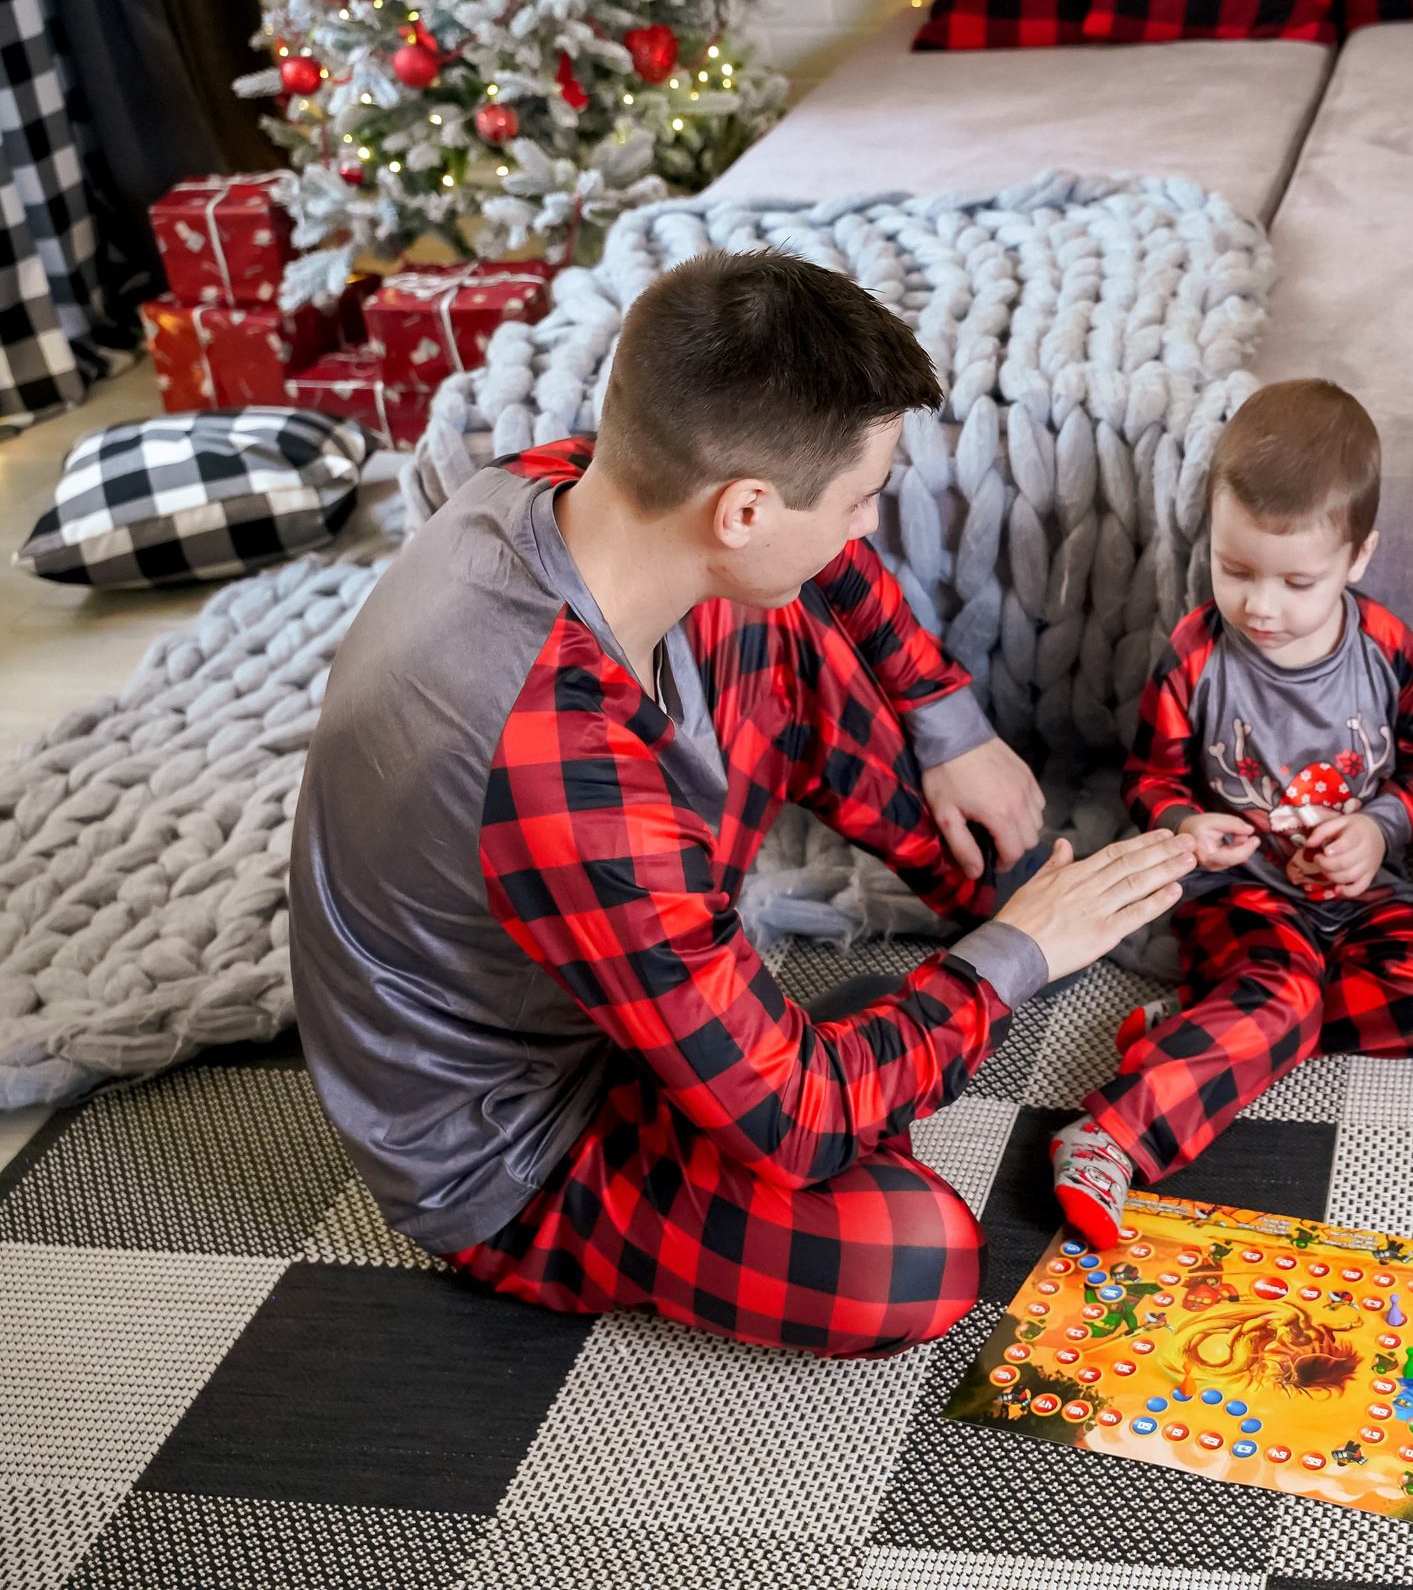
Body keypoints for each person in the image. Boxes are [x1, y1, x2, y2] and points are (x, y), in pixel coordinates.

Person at [290, 250, 1197, 1356]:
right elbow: (801, 1126)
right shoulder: (565, 769)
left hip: (594, 931)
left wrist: (944, 717)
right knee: (914, 1259)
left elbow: (808, 565)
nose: (867, 529)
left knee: (776, 631)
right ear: (746, 508)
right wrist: (1010, 962)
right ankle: (980, 950)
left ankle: (966, 918)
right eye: (862, 500)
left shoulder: (575, 483)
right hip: (518, 1140)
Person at [1046, 380, 1413, 1245]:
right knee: (1281, 989)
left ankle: (1217, 1028)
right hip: (1244, 894)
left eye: (1297, 581)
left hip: (1362, 892)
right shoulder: (1197, 654)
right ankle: (1108, 1135)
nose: (1261, 605)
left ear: (1358, 558)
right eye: (1235, 569)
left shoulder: (1385, 648)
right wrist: (1184, 826)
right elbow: (1151, 777)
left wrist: (1379, 826)